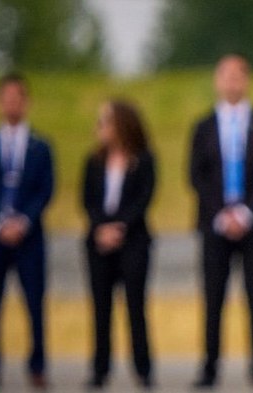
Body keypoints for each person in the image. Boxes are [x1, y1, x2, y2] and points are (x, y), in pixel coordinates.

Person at [188, 54, 253, 388]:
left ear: (247, 80)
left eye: (237, 75)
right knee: (213, 297)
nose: (232, 81)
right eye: (225, 75)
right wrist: (222, 212)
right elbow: (196, 174)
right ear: (217, 80)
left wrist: (245, 212)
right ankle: (210, 365)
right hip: (215, 223)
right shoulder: (203, 126)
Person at [81, 99, 156, 388]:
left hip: (133, 241)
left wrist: (120, 226)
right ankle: (100, 369)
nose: (99, 128)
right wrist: (100, 227)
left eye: (105, 122)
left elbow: (144, 198)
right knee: (101, 308)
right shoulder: (94, 161)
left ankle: (143, 369)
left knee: (135, 307)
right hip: (99, 243)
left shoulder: (143, 160)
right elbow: (87, 199)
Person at [0, 73, 54, 389]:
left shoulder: (40, 146)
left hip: (29, 237)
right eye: (7, 98)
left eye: (18, 98)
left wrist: (24, 221)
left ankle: (37, 364)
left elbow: (45, 189)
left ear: (26, 102)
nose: (12, 103)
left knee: (35, 303)